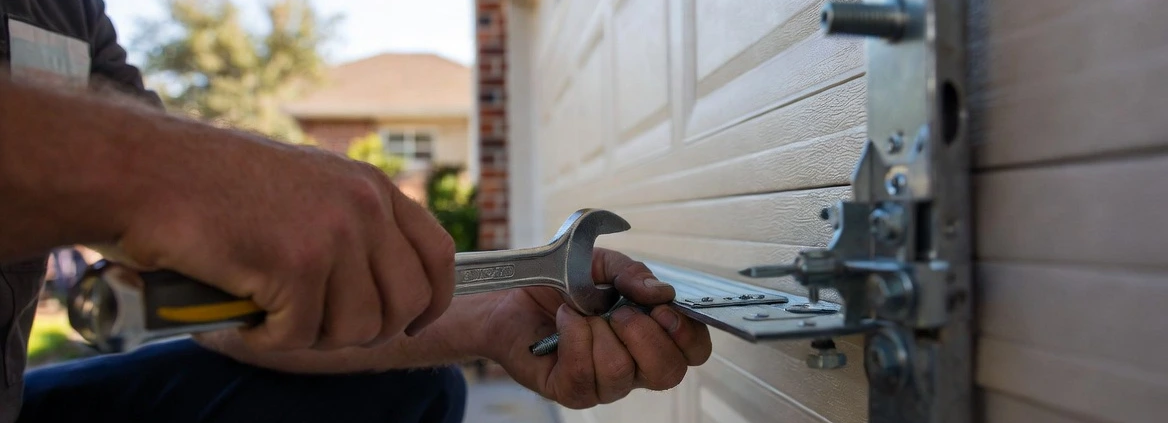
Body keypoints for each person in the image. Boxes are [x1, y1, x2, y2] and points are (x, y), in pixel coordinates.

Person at [0, 1, 713, 422]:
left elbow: (218, 307)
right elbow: (154, 176)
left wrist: (496, 317)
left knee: (412, 394)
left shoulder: (64, 10)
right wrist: (175, 171)